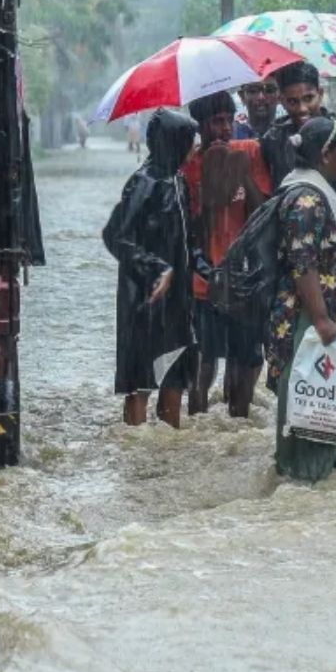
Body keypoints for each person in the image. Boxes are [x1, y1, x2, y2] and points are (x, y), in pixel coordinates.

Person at [267, 116, 336, 482]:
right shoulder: (308, 199)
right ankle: (307, 481)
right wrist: (323, 319)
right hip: (307, 318)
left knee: (315, 405)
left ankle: (306, 481)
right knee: (311, 407)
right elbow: (303, 262)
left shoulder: (304, 190)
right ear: (325, 155)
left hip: (310, 316)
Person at [102, 110, 200, 428]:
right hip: (144, 297)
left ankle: (170, 446)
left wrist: (207, 269)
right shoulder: (144, 183)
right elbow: (116, 236)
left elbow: (186, 238)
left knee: (176, 373)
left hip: (178, 299)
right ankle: (135, 444)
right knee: (140, 379)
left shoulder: (178, 180)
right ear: (174, 142)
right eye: (190, 139)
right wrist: (155, 268)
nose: (195, 145)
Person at [180, 90, 271, 417]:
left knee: (245, 359)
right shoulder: (188, 165)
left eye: (229, 120)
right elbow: (188, 228)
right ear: (200, 125)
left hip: (245, 280)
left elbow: (263, 214)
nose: (225, 128)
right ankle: (199, 423)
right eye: (217, 122)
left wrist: (240, 172)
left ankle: (239, 420)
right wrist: (211, 184)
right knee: (203, 360)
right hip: (204, 282)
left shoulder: (250, 152)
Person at [261, 61, 336, 225]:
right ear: (281, 100)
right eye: (293, 102)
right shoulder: (273, 141)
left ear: (320, 93)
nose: (302, 109)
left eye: (308, 98)